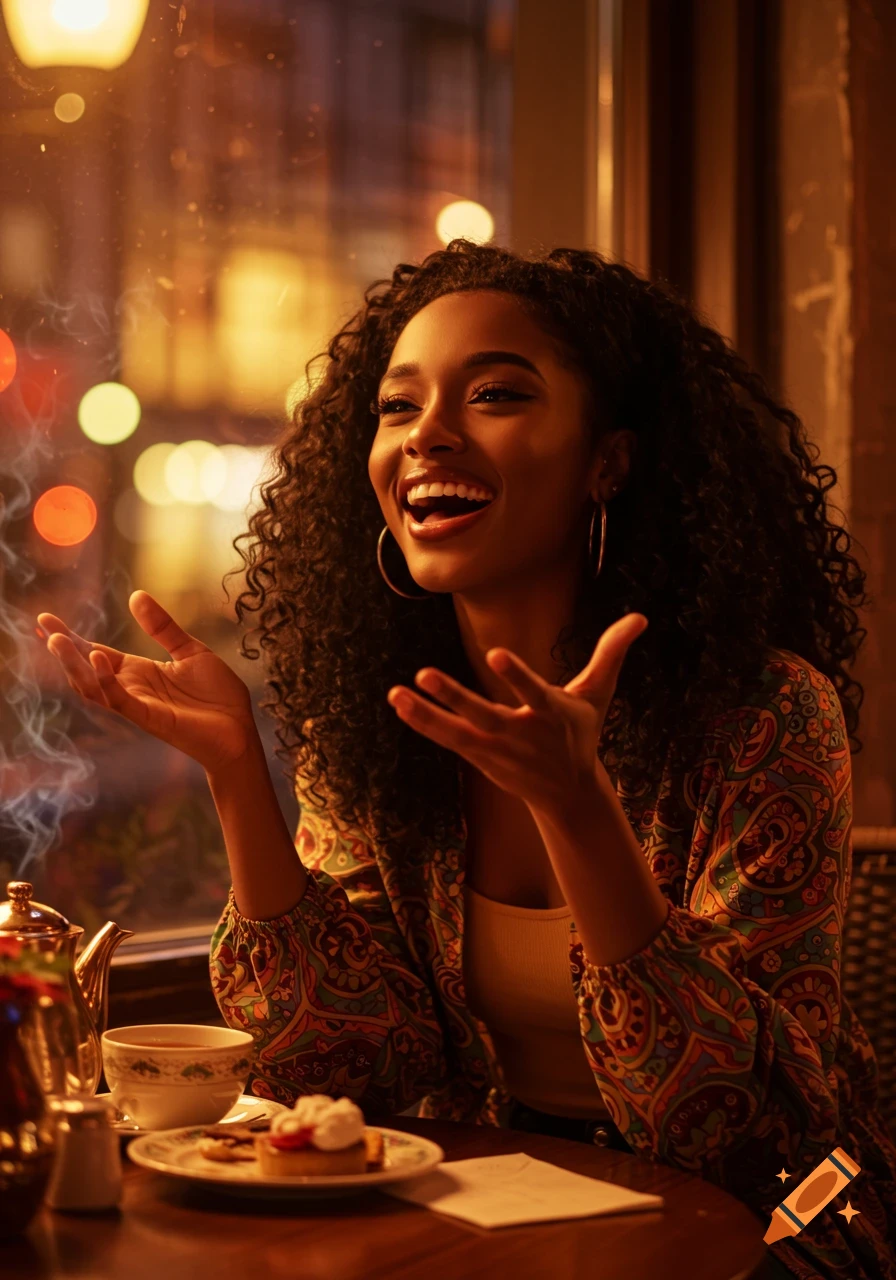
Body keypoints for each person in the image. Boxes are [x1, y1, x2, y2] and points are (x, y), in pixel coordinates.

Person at [39, 240, 896, 1280]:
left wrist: (576, 807)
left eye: (493, 393)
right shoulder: (382, 720)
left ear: (606, 459)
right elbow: (341, 1066)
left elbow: (727, 1125)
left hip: (753, 1241)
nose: (427, 435)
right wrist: (236, 780)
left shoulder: (762, 714)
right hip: (481, 1226)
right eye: (397, 408)